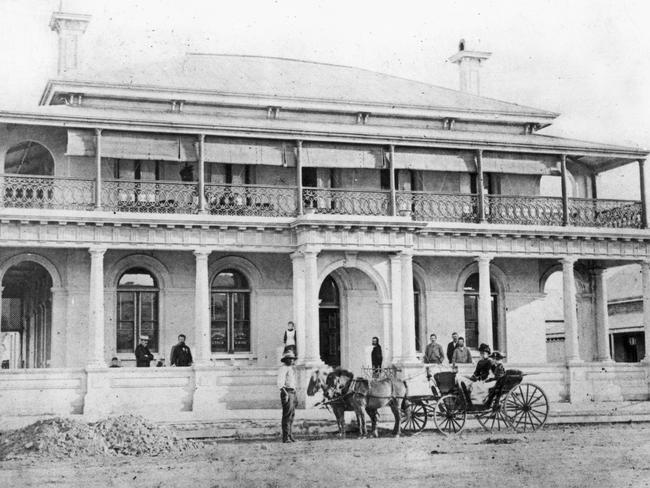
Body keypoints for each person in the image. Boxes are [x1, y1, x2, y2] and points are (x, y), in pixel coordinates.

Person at [277, 350, 297, 443]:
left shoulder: (291, 369)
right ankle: (285, 437)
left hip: (292, 392)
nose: (292, 361)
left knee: (292, 415)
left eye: (293, 359)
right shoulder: (283, 368)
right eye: (290, 359)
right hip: (287, 392)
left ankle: (290, 435)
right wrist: (285, 394)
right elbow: (280, 383)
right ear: (286, 360)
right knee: (287, 415)